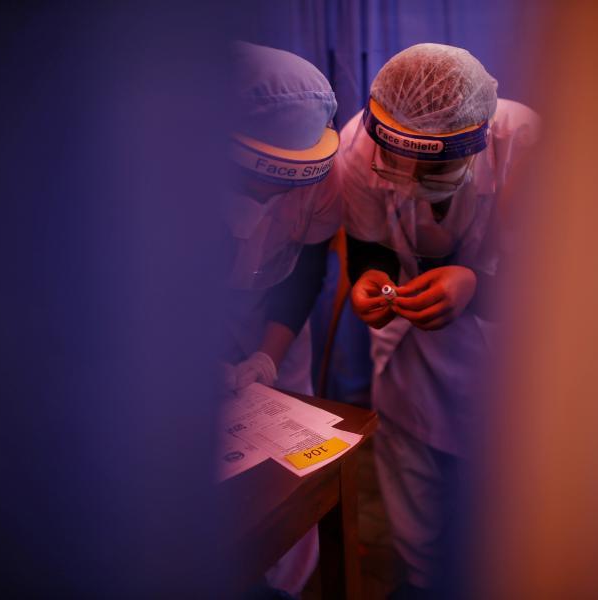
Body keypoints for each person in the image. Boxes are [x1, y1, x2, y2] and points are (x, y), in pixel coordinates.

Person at [337, 43, 540, 597]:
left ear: (476, 140)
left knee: (500, 507)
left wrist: (476, 288)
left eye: (435, 166)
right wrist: (367, 281)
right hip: (408, 354)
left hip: (509, 353)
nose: (408, 177)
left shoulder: (525, 144)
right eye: (396, 162)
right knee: (416, 514)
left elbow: (559, 279)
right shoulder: (360, 146)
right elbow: (367, 242)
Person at [224, 41, 340, 598]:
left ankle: (290, 585)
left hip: (276, 316)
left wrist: (269, 354)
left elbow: (306, 270)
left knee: (294, 459)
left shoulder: (323, 177)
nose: (275, 193)